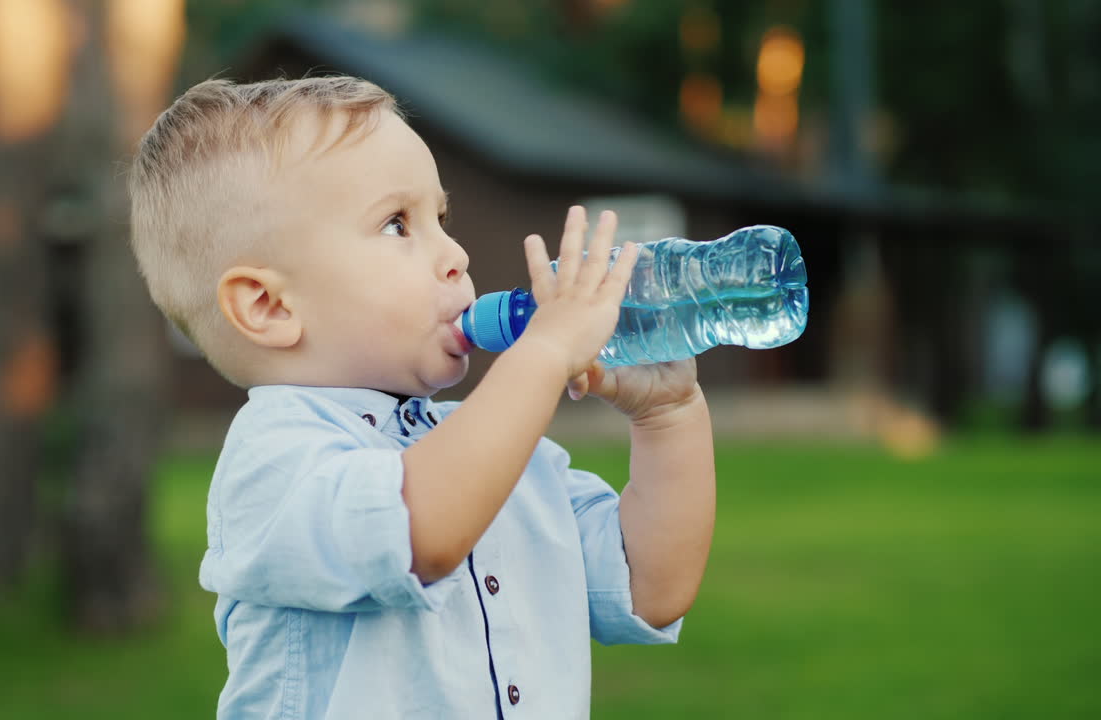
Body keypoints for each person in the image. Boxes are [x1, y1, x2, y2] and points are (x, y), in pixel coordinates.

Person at [127, 76, 716, 719]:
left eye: (441, 218)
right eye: (396, 225)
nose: (456, 255)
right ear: (269, 306)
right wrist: (542, 354)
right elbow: (423, 531)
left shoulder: (502, 455)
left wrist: (668, 416)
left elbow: (651, 585)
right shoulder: (274, 464)